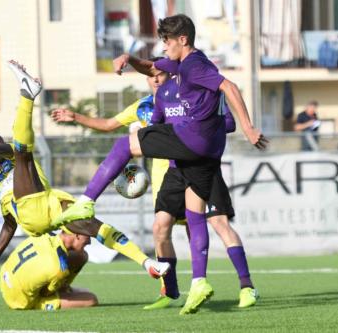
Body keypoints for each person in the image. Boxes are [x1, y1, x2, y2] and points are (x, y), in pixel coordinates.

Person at [50, 14, 267, 315]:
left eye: (166, 41)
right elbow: (151, 66)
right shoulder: (180, 69)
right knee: (191, 217)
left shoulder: (193, 66)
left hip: (192, 141)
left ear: (183, 40)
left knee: (127, 142)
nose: (163, 48)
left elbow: (229, 87)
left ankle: (86, 201)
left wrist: (248, 127)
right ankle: (198, 283)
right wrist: (129, 58)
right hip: (200, 157)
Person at [0, 60, 170, 283]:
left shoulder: (11, 154)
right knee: (23, 152)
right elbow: (9, 224)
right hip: (31, 216)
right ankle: (27, 94)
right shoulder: (0, 184)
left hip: (51, 204)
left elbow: (0, 149)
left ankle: (147, 263)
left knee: (94, 226)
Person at [0, 230, 98, 311]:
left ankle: (64, 287)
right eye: (88, 237)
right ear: (77, 235)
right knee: (91, 299)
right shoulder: (59, 267)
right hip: (20, 301)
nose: (89, 242)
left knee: (81, 256)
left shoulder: (44, 233)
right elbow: (45, 293)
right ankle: (49, 299)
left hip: (5, 278)